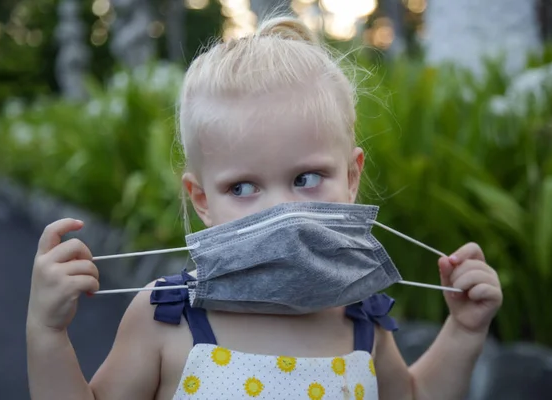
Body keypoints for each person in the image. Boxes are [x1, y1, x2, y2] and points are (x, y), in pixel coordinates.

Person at [26, 16, 503, 400]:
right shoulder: (167, 317)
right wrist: (48, 334)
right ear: (203, 200)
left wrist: (463, 330)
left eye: (306, 178)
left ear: (352, 177)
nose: (281, 210)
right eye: (243, 187)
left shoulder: (360, 319)